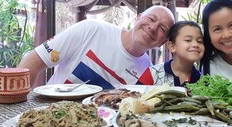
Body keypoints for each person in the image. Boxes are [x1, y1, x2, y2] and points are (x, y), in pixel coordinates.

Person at [17, 5, 175, 89]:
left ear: (163, 43)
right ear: (138, 17)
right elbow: (35, 60)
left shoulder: (148, 74)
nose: (153, 27)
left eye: (162, 29)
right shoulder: (91, 29)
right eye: (151, 18)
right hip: (48, 116)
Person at [137, 20, 204, 87]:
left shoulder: (203, 82)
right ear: (171, 46)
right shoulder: (152, 73)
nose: (196, 44)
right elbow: (135, 95)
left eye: (200, 41)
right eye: (188, 40)